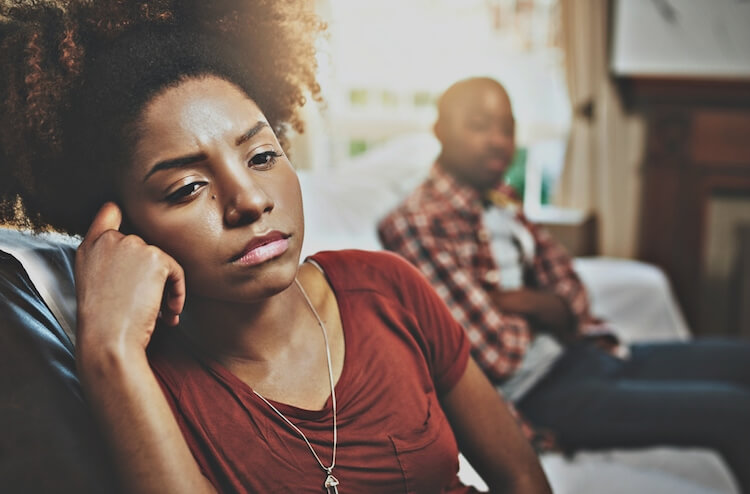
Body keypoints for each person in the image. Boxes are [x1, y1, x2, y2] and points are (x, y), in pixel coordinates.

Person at [0, 4, 552, 494]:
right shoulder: (147, 386)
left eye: (262, 156)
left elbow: (522, 477)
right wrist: (111, 352)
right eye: (188, 187)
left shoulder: (388, 287)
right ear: (121, 228)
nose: (249, 200)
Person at [378, 76, 750, 492]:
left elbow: (571, 291)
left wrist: (535, 304)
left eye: (507, 127)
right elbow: (497, 353)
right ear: (440, 131)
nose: (499, 141)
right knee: (736, 411)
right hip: (544, 394)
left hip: (589, 351)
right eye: (480, 125)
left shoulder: (502, 200)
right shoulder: (417, 222)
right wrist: (550, 309)